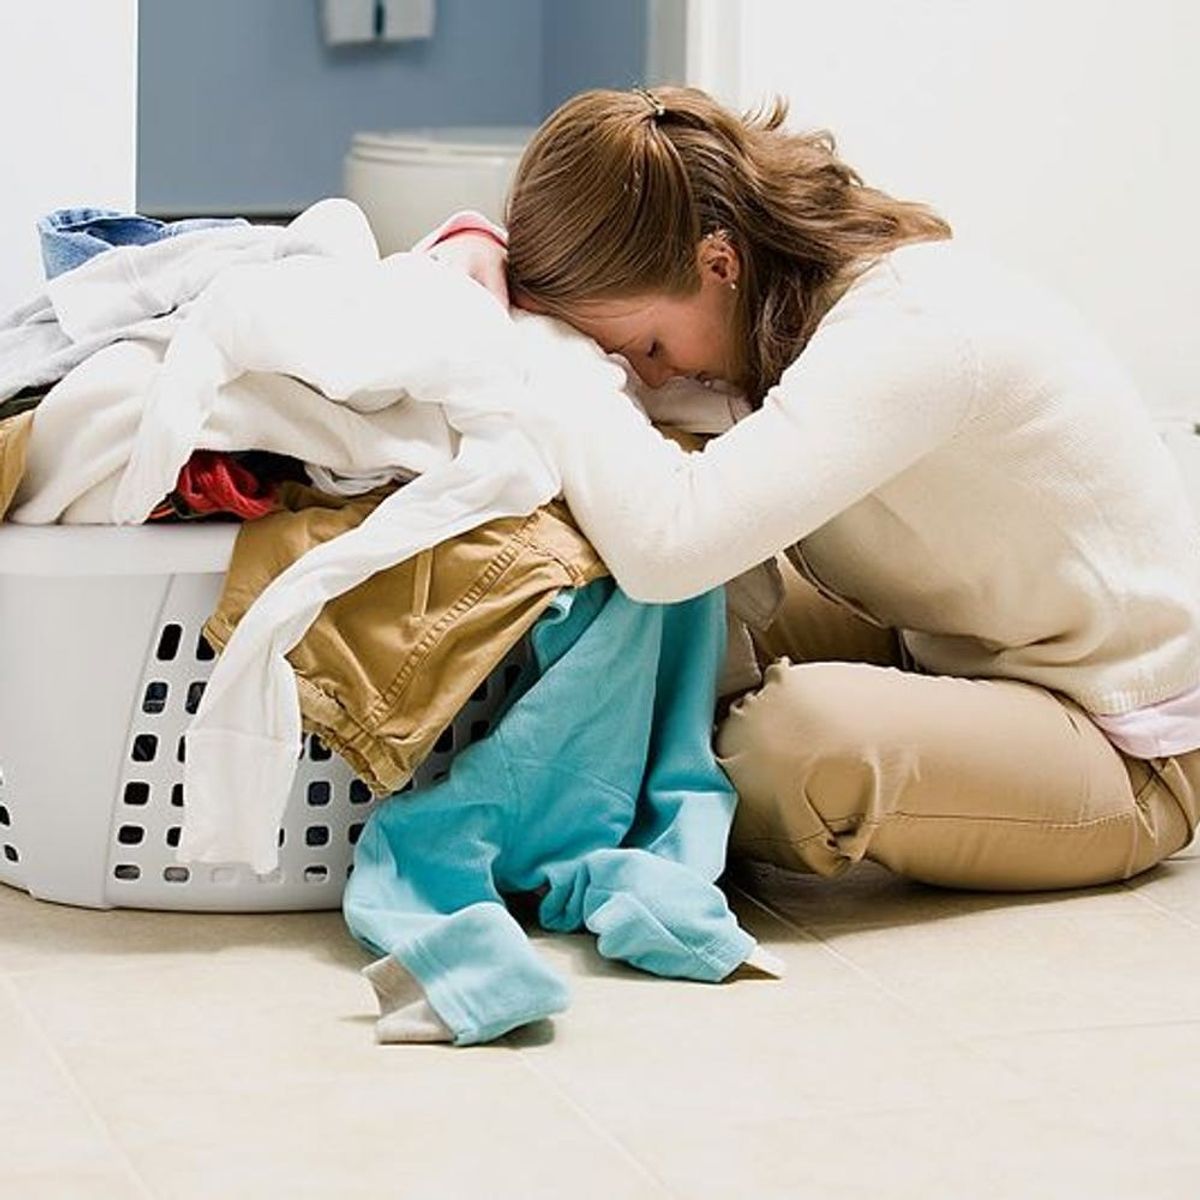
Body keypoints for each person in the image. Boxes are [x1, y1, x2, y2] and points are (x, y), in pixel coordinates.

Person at [425, 85, 1200, 893]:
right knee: (613, 611)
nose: (649, 375)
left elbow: (666, 546)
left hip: (1120, 742)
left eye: (648, 345)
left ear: (718, 264)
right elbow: (647, 445)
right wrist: (479, 248)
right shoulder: (774, 308)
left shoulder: (909, 332)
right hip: (945, 646)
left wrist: (547, 353)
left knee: (782, 746)